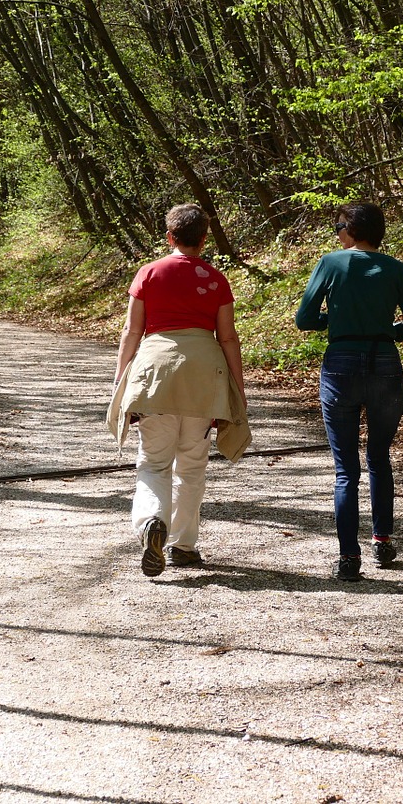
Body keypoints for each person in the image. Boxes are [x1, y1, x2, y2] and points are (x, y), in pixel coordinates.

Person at [107, 203, 250, 577]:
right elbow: (229, 337)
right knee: (192, 466)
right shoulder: (217, 279)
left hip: (156, 374)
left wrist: (120, 379)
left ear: (170, 237)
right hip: (205, 377)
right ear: (204, 240)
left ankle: (152, 521)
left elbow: (132, 332)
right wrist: (237, 387)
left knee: (154, 462)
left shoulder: (149, 272)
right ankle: (182, 546)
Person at [295, 202, 403, 581]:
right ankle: (382, 540)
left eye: (339, 225)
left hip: (340, 364)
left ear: (351, 229)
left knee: (345, 470)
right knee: (379, 457)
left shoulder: (331, 263)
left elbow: (305, 319)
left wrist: (337, 320)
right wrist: (383, 330)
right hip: (385, 363)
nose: (337, 232)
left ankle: (349, 558)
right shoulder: (396, 268)